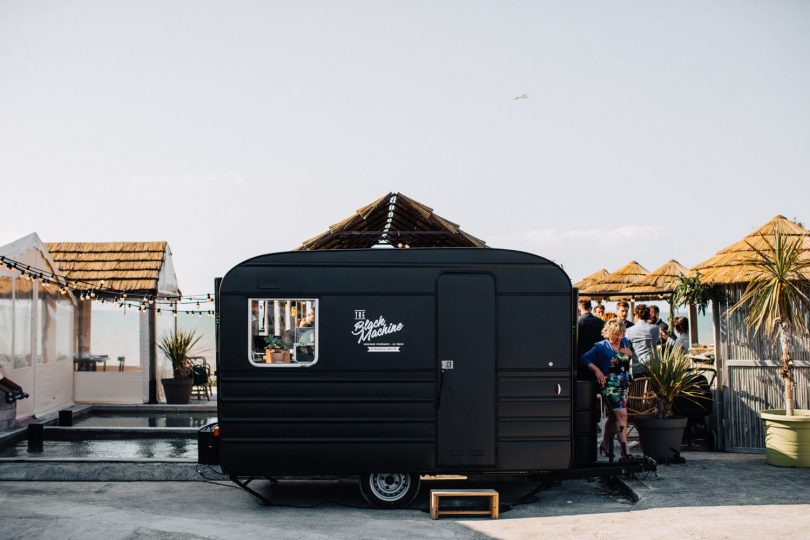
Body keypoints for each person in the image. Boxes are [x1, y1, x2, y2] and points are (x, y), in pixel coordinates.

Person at [581, 319, 637, 461]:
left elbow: (630, 358)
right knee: (622, 415)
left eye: (621, 333)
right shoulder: (600, 346)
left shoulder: (625, 342)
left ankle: (605, 444)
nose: (619, 337)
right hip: (609, 385)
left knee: (614, 417)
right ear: (608, 333)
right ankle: (626, 451)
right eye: (616, 334)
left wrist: (629, 354)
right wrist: (597, 371)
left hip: (623, 384)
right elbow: (584, 358)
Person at [625, 304, 660, 375]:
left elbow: (627, 348)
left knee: (638, 386)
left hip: (636, 367)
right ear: (648, 316)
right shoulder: (655, 328)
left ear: (637, 315)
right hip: (653, 367)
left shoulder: (629, 330)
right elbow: (658, 341)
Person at [576, 299, 605, 380]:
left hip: (579, 361)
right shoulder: (601, 322)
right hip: (597, 361)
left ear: (579, 309)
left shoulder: (576, 322)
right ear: (591, 308)